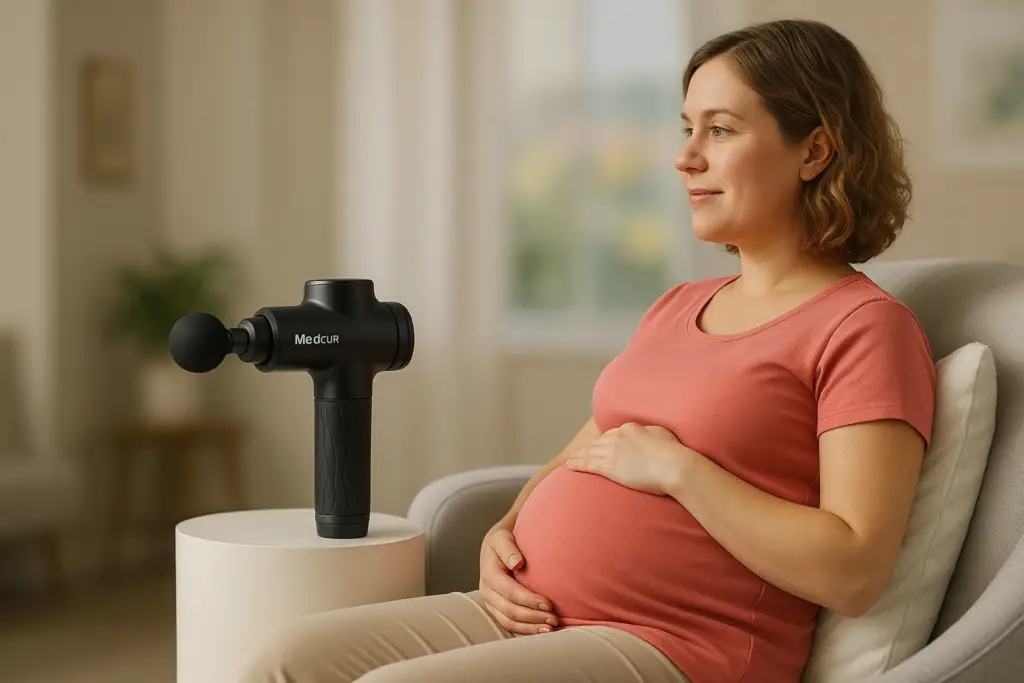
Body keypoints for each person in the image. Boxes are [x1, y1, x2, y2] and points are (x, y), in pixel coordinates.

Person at [238, 17, 936, 683]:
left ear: (814, 150)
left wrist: (679, 469)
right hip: (533, 616)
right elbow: (592, 444)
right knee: (285, 657)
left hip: (681, 646)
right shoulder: (680, 305)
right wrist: (505, 531)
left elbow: (855, 567)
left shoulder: (865, 328)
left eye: (720, 130)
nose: (685, 156)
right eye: (687, 128)